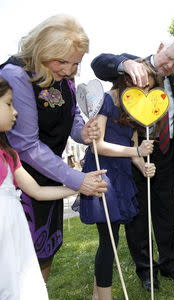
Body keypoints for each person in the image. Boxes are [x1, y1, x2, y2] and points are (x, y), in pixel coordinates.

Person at [0, 15, 108, 282]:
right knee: (18, 261)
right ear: (42, 49)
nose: (69, 70)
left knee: (44, 252)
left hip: (51, 175)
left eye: (76, 63)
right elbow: (26, 144)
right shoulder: (17, 75)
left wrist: (83, 132)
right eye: (62, 61)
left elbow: (72, 116)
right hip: (20, 180)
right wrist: (76, 180)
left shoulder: (64, 76)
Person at [90, 36, 174, 290]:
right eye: (169, 58)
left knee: (166, 212)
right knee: (138, 216)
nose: (171, 66)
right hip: (131, 152)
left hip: (163, 153)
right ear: (159, 49)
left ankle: (170, 264)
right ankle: (147, 272)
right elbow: (99, 64)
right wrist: (125, 64)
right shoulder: (130, 67)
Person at [79, 59, 156, 300]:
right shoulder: (107, 100)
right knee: (108, 241)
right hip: (102, 175)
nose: (144, 93)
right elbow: (97, 145)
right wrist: (136, 153)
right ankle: (105, 297)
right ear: (127, 80)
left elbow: (131, 146)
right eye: (142, 87)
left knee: (113, 237)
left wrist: (142, 166)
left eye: (148, 89)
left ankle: (97, 294)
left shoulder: (132, 108)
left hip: (122, 176)